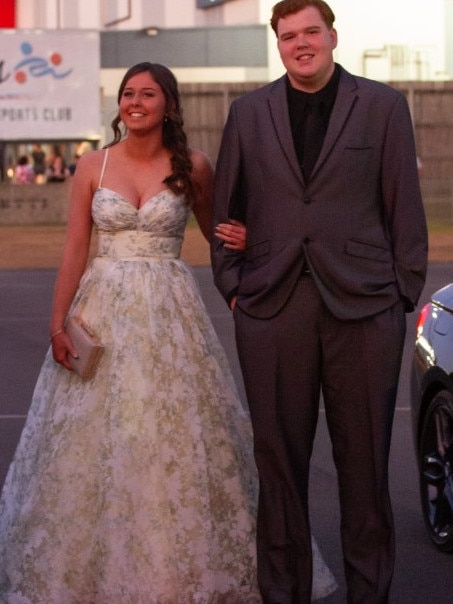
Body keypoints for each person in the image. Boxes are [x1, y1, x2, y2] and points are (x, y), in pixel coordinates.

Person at [0, 62, 336, 603]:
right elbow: (73, 251)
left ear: (168, 105)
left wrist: (253, 243)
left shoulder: (195, 166)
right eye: (128, 93)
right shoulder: (93, 165)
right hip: (100, 313)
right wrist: (56, 322)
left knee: (171, 436)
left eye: (147, 94)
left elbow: (219, 233)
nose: (135, 102)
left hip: (170, 317)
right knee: (95, 441)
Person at [211, 1, 428, 603]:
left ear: (332, 36)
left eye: (311, 32)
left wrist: (402, 293)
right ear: (276, 44)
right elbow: (227, 212)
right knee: (278, 471)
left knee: (365, 473)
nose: (300, 43)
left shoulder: (383, 107)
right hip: (272, 309)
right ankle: (284, 595)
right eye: (288, 36)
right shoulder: (248, 113)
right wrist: (234, 288)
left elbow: (403, 206)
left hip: (365, 311)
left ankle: (370, 594)